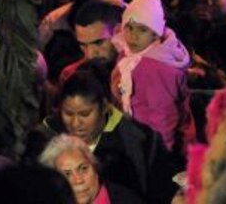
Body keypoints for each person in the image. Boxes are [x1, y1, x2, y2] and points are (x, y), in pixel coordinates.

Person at [26, 63, 177, 203]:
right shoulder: (42, 139)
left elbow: (161, 193)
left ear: (104, 107)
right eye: (68, 114)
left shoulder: (138, 141)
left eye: (84, 114)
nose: (75, 123)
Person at [112, 0, 194, 153]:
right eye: (129, 27)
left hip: (153, 145)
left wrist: (160, 156)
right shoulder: (128, 54)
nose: (133, 36)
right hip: (136, 136)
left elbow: (163, 117)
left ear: (155, 33)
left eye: (142, 30)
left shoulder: (156, 68)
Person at [39, 134, 141, 204]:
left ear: (95, 169)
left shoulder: (126, 200)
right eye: (67, 174)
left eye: (83, 169)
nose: (78, 180)